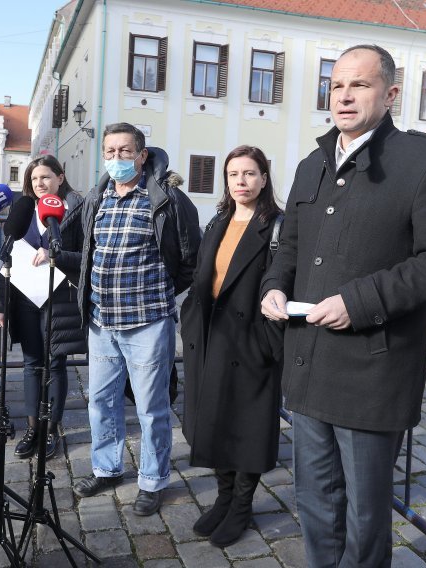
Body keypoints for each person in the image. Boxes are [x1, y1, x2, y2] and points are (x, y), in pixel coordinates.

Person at [260, 44, 426, 567]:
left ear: (391, 93)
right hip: (308, 363)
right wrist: (274, 284)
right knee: (314, 502)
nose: (345, 96)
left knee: (364, 516)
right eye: (336, 85)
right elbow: (290, 244)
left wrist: (359, 301)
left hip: (372, 371)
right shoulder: (313, 162)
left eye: (360, 84)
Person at [72, 122, 201, 516]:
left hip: (147, 321)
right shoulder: (98, 197)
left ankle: (152, 478)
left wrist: (158, 292)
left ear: (142, 155)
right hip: (101, 322)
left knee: (150, 407)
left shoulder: (168, 199)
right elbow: (87, 251)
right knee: (101, 402)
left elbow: (189, 259)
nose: (116, 159)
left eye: (125, 151)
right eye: (110, 151)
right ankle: (107, 468)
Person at [180, 145, 283, 548]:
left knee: (248, 427)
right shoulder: (219, 220)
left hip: (250, 341)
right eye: (233, 174)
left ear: (263, 178)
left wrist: (265, 341)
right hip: (209, 336)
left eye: (249, 174)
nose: (241, 182)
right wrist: (190, 317)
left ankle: (242, 505)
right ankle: (224, 498)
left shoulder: (276, 225)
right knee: (214, 421)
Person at [0, 155, 85, 460]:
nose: (40, 184)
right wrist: (0, 304)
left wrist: (56, 253)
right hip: (24, 299)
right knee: (32, 364)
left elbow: (86, 255)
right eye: (34, 179)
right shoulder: (22, 212)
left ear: (60, 177)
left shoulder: (77, 211)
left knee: (55, 363)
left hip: (60, 299)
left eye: (46, 177)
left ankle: (51, 428)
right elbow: (9, 259)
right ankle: (33, 428)